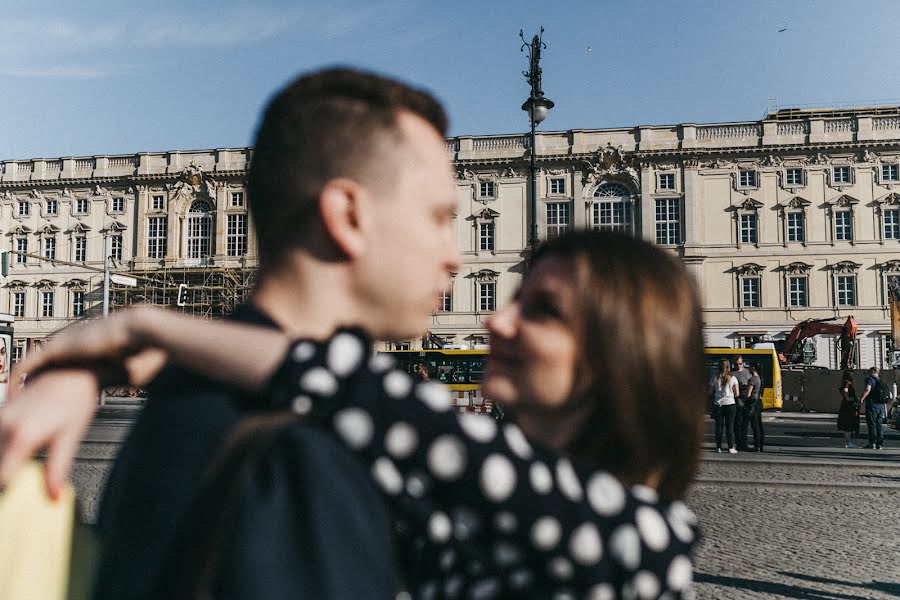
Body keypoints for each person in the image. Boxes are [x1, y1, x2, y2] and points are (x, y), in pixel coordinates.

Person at [1, 230, 705, 599]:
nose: (499, 321)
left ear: (623, 355)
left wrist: (143, 327)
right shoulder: (474, 501)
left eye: (542, 312)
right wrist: (81, 370)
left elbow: (358, 393)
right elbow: (323, 395)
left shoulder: (644, 538)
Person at [0, 67, 463, 600]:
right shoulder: (299, 446)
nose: (452, 254)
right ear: (348, 216)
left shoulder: (206, 400)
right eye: (437, 216)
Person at [710, 359, 739, 454]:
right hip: (730, 404)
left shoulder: (714, 378)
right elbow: (737, 393)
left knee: (719, 427)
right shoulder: (733, 378)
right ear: (729, 366)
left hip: (718, 404)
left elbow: (710, 392)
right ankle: (730, 447)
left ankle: (718, 447)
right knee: (729, 427)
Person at [858, 366, 886, 449]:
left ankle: (872, 443)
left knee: (872, 424)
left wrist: (862, 399)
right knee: (879, 425)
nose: (868, 373)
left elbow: (867, 389)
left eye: (869, 371)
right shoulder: (881, 381)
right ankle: (879, 444)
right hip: (880, 406)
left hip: (872, 405)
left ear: (873, 371)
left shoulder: (870, 379)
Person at [731, 354, 752, 451]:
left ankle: (744, 443)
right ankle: (739, 443)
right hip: (737, 401)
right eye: (736, 364)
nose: (739, 366)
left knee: (745, 424)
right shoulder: (732, 374)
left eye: (740, 363)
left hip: (747, 401)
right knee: (738, 424)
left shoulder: (747, 372)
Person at [745, 363, 765, 452]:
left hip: (752, 403)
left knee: (754, 425)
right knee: (759, 425)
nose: (748, 369)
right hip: (759, 402)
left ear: (753, 368)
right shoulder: (760, 379)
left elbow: (748, 394)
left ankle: (756, 446)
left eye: (749, 367)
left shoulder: (752, 379)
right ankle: (760, 445)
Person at [836, 374, 859, 448]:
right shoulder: (847, 386)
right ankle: (848, 442)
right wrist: (856, 399)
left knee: (847, 425)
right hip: (848, 408)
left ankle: (848, 442)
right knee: (848, 425)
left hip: (846, 407)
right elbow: (847, 398)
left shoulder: (845, 385)